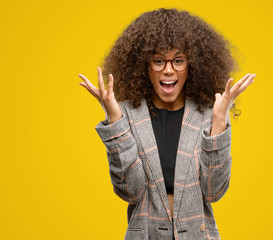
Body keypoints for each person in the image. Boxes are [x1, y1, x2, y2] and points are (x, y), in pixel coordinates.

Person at [78, 8, 256, 240]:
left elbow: (213, 192)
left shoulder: (209, 115)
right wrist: (115, 120)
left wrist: (219, 123)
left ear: (192, 65)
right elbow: (130, 192)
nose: (169, 69)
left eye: (179, 60)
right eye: (159, 60)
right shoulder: (127, 116)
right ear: (144, 65)